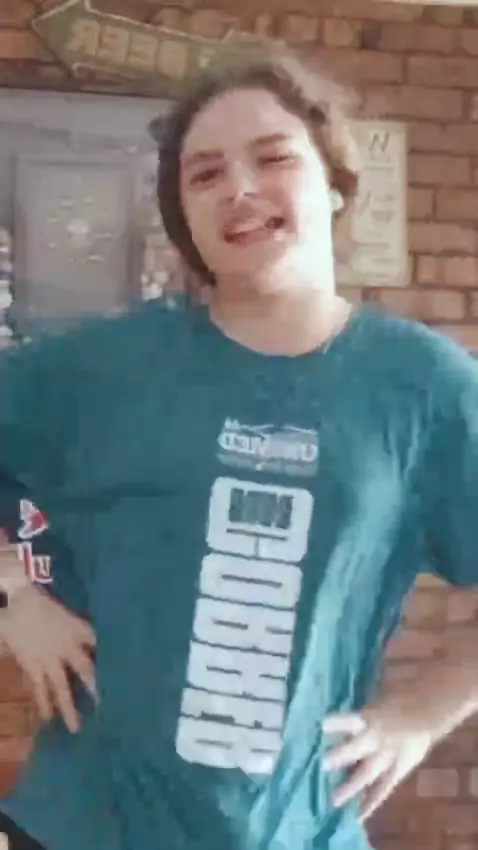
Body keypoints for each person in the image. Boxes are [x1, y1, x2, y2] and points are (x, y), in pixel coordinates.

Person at [0, 48, 478, 850]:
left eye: (273, 157)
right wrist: (14, 595)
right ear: (184, 217)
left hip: (295, 829)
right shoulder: (102, 369)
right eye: (206, 174)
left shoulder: (424, 387)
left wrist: (421, 715)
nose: (240, 189)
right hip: (89, 822)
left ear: (334, 182)